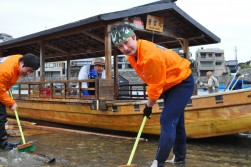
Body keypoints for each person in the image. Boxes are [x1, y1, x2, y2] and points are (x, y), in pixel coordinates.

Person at [110, 24, 194, 167]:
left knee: (167, 120)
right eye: (120, 46)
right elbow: (152, 80)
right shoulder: (132, 56)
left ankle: (158, 163)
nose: (125, 48)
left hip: (182, 82)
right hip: (169, 84)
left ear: (134, 37)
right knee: (177, 122)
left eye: (126, 42)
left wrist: (148, 106)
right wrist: (150, 101)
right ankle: (179, 158)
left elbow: (155, 87)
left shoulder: (150, 56)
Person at [0, 53, 40, 150]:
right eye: (29, 70)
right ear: (22, 63)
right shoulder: (6, 71)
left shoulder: (19, 60)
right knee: (1, 118)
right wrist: (11, 103)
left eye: (32, 71)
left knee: (2, 117)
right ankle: (3, 145)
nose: (29, 73)